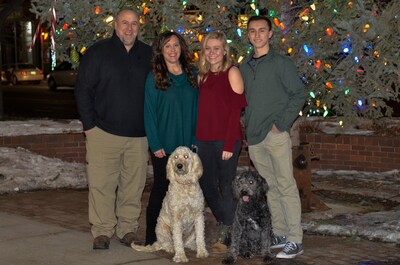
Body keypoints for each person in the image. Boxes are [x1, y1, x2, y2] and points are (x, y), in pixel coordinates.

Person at [74, 8, 152, 250]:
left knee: (133, 186)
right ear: (115, 25)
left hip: (139, 136)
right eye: (125, 23)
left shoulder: (149, 55)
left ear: (140, 27)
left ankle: (127, 229)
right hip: (103, 133)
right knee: (101, 185)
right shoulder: (97, 53)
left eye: (134, 24)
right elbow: (83, 90)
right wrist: (90, 127)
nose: (129, 28)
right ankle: (102, 231)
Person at [240, 16, 306, 259]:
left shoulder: (281, 63)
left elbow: (299, 93)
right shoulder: (245, 67)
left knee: (286, 184)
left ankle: (295, 239)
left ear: (270, 34)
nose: (257, 35)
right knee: (270, 187)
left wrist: (281, 124)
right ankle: (279, 232)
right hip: (255, 138)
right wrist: (246, 129)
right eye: (252, 31)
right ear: (248, 35)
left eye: (261, 30)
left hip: (275, 135)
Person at [144, 31, 198, 245]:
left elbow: (198, 109)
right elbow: (149, 113)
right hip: (164, 147)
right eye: (167, 46)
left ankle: (188, 238)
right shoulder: (155, 77)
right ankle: (151, 238)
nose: (172, 50)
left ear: (181, 48)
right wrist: (155, 144)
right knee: (161, 190)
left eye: (176, 45)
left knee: (190, 193)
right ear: (161, 50)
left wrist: (195, 142)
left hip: (189, 147)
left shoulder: (193, 73)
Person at [196, 31, 247, 253]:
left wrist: (228, 144)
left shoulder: (232, 72)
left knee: (226, 186)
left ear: (224, 50)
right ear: (204, 52)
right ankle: (230, 223)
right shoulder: (202, 75)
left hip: (226, 139)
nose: (213, 52)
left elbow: (235, 111)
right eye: (208, 48)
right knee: (206, 184)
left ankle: (226, 234)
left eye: (217, 48)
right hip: (203, 140)